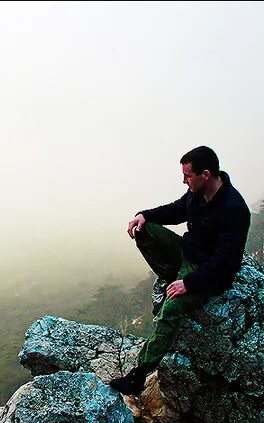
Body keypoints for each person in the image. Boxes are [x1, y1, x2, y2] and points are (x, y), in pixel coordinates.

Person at [108, 145, 251, 395]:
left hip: (206, 271)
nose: (184, 180)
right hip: (187, 252)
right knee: (146, 230)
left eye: (188, 176)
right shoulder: (196, 194)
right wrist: (144, 215)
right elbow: (176, 210)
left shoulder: (234, 208)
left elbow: (226, 262)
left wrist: (189, 283)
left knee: (170, 309)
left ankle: (140, 373)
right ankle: (171, 277)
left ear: (205, 175)